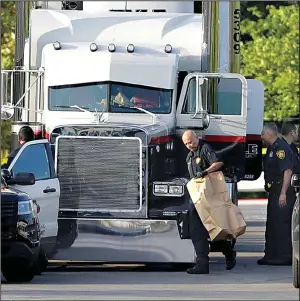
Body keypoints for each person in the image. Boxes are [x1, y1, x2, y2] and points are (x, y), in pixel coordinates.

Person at [182, 130, 236, 274]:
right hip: (196, 199)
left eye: (191, 142)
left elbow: (218, 163)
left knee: (215, 230)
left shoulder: (205, 148)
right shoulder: (189, 157)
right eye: (186, 144)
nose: (189, 145)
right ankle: (202, 265)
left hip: (210, 197)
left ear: (196, 138)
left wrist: (205, 172)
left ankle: (229, 253)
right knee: (196, 231)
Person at [258, 123, 295, 265]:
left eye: (262, 134)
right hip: (274, 192)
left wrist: (283, 193)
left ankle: (284, 257)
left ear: (269, 134)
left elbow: (287, 171)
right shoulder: (271, 148)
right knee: (272, 225)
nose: (260, 136)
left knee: (281, 224)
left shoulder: (281, 149)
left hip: (282, 192)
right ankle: (270, 256)